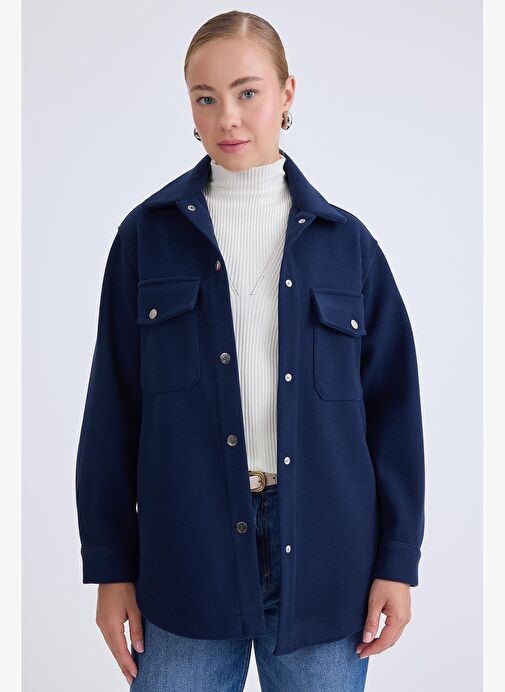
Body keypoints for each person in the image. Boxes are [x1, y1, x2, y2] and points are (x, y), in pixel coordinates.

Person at [75, 10, 425, 691]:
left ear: (287, 93)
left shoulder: (347, 246)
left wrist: (397, 561)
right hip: (184, 560)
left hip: (329, 565)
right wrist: (111, 569)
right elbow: (112, 411)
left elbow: (394, 415)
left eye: (247, 92)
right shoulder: (146, 239)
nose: (227, 118)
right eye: (205, 98)